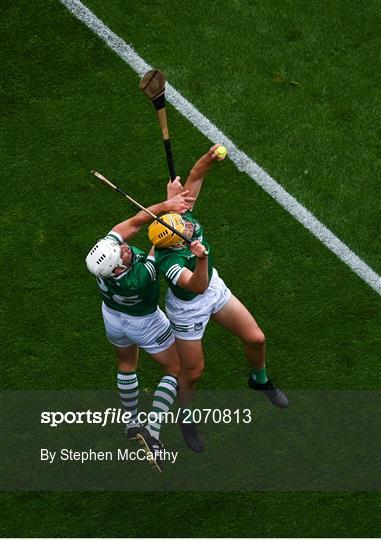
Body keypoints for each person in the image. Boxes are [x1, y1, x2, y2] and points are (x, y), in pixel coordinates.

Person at [149, 145, 288, 453]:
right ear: (174, 241)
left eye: (184, 218)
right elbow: (195, 287)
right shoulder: (168, 262)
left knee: (256, 338)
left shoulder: (178, 217)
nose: (188, 220)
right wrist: (200, 258)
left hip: (214, 289)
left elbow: (197, 174)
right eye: (183, 226)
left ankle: (259, 380)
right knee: (194, 373)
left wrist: (210, 157)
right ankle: (185, 417)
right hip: (188, 309)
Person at [85, 184, 194, 472]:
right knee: (177, 369)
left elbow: (133, 223)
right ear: (118, 269)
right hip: (144, 322)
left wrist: (162, 205)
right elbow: (161, 242)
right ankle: (152, 429)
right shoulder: (139, 277)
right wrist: (171, 213)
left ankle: (132, 423)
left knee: (126, 363)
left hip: (112, 317)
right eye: (120, 253)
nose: (123, 249)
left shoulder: (105, 260)